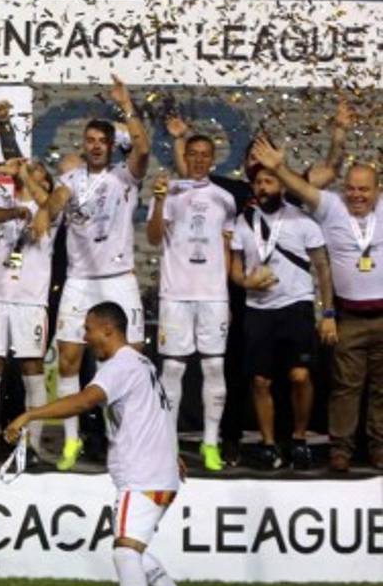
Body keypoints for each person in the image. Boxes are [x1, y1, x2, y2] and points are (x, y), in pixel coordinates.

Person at [6, 303, 204, 586]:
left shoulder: (120, 366)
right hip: (157, 473)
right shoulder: (141, 362)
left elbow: (84, 401)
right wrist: (171, 454)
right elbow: (157, 411)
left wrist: (30, 415)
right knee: (134, 548)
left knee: (125, 553)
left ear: (108, 330)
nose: (85, 337)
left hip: (142, 477)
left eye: (88, 329)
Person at [32, 76, 150, 470]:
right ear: (84, 144)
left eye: (102, 140)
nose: (96, 146)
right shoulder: (71, 179)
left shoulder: (124, 178)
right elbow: (56, 201)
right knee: (68, 360)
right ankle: (71, 442)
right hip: (80, 282)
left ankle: (122, 442)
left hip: (119, 279)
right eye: (90, 140)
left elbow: (144, 148)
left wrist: (127, 106)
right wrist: (46, 214)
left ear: (111, 146)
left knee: (128, 362)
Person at [252, 136, 383, 471]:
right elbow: (303, 189)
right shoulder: (332, 207)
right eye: (351, 188)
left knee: (382, 389)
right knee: (345, 388)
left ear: (377, 189)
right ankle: (341, 448)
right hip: (348, 316)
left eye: (364, 190)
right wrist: (278, 167)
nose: (357, 195)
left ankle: (379, 447)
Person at [229, 162, 334, 470]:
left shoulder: (303, 221)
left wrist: (327, 312)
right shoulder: (243, 221)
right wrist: (245, 282)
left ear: (282, 186)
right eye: (259, 182)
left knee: (299, 376)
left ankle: (299, 439)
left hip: (296, 307)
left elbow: (324, 269)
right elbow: (234, 267)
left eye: (270, 182)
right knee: (261, 381)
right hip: (258, 310)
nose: (264, 187)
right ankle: (268, 444)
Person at [146, 135, 238, 471]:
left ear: (212, 159)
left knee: (213, 366)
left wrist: (224, 291)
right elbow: (154, 238)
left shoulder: (225, 199)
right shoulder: (170, 193)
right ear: (184, 156)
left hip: (213, 295)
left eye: (205, 155)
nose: (199, 160)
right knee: (172, 368)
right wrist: (157, 203)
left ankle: (210, 444)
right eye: (193, 154)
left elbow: (227, 249)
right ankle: (168, 447)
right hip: (176, 294)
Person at [0, 157, 58, 467]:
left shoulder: (48, 209)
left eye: (38, 173)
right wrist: (1, 175)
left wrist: (28, 193)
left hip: (30, 302)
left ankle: (32, 446)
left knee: (31, 369)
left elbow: (47, 207)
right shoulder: (4, 200)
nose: (32, 174)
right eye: (29, 170)